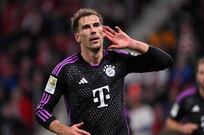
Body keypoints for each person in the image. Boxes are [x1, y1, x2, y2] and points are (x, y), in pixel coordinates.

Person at [35, 8, 173, 135]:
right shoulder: (65, 69)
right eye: (86, 27)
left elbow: (164, 62)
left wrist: (133, 44)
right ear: (77, 37)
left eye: (96, 25)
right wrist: (64, 130)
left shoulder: (118, 59)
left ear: (103, 31)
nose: (93, 30)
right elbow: (41, 110)